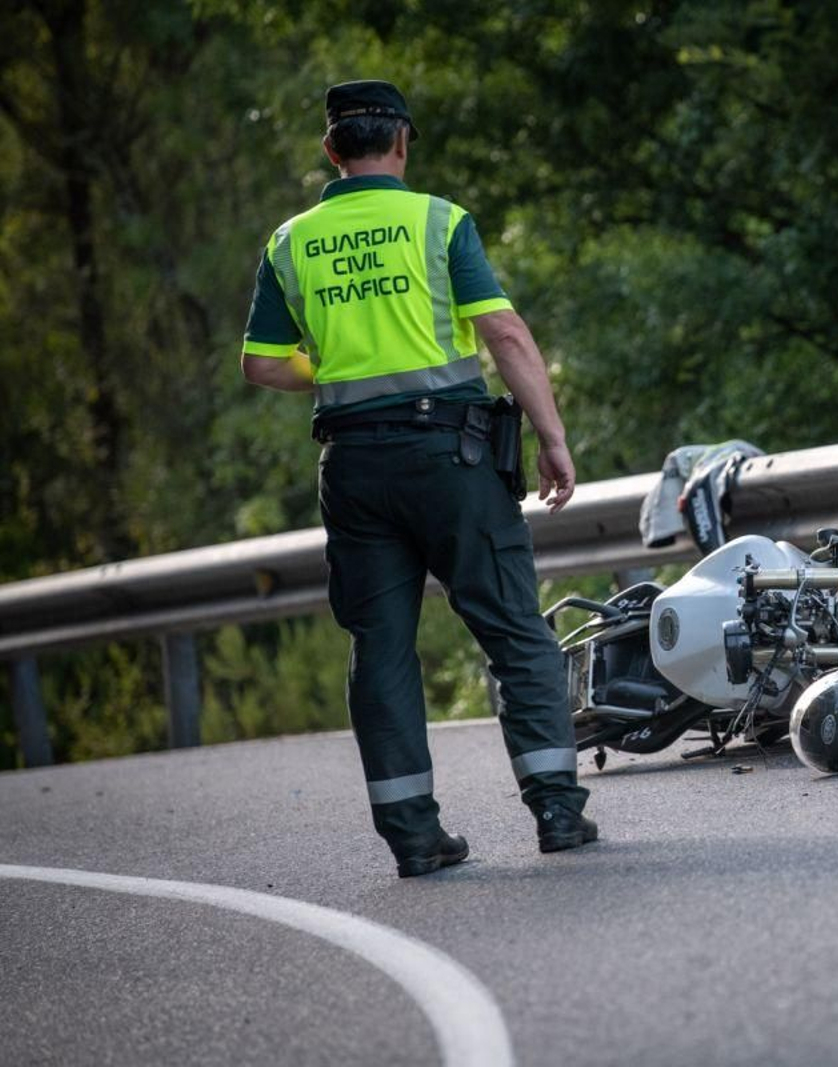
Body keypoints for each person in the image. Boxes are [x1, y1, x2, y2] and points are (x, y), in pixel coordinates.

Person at [239, 80, 596, 877]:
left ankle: (413, 835)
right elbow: (501, 329)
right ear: (402, 141)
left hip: (355, 467)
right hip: (453, 456)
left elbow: (261, 364)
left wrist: (329, 366)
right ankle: (557, 813)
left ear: (331, 151)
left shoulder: (290, 241)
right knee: (512, 629)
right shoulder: (438, 220)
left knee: (382, 647)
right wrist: (552, 436)